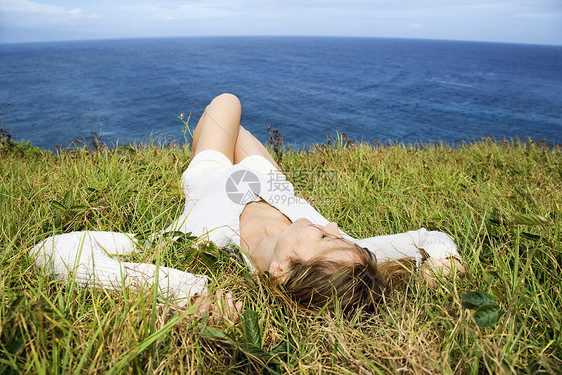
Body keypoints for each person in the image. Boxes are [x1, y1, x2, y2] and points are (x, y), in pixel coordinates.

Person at [30, 93, 464, 320]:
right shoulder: (348, 256)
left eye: (323, 236)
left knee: (224, 104)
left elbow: (50, 252)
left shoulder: (199, 245)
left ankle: (202, 134)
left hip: (214, 180)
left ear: (281, 270)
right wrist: (446, 262)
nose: (332, 224)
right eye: (335, 233)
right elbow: (429, 237)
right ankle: (211, 132)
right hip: (273, 183)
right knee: (230, 117)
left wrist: (186, 290)